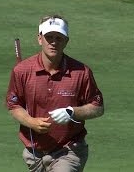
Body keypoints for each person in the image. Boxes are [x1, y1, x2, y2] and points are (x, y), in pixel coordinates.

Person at [6, 14, 104, 172]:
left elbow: (98, 107)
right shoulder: (22, 71)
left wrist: (73, 112)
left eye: (59, 38)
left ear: (66, 41)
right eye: (49, 37)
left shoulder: (81, 72)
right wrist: (31, 122)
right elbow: (14, 105)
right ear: (39, 39)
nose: (53, 42)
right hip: (34, 154)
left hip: (69, 150)